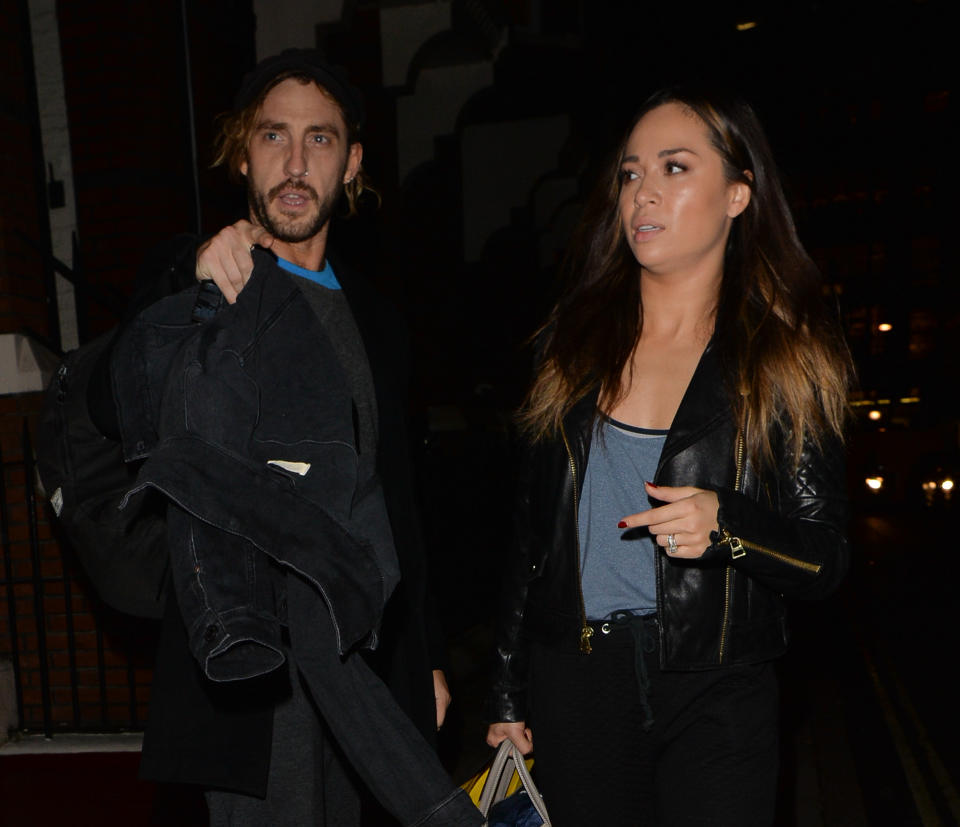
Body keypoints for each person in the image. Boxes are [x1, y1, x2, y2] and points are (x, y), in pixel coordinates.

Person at [80, 49, 479, 826]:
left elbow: (398, 501)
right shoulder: (202, 276)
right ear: (241, 151)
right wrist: (188, 274)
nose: (295, 163)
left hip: (359, 663)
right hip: (254, 679)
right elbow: (108, 400)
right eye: (274, 136)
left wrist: (424, 652)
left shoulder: (378, 320)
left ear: (353, 161)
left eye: (321, 140)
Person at [485, 86, 852, 826]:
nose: (642, 192)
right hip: (577, 680)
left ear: (738, 195)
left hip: (717, 686)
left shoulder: (782, 359)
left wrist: (731, 525)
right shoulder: (573, 347)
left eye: (675, 168)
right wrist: (506, 693)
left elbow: (826, 558)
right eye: (629, 173)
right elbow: (532, 539)